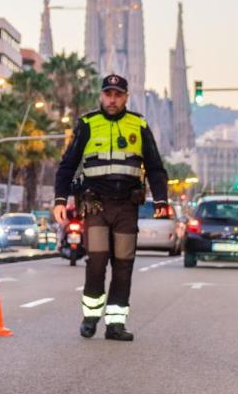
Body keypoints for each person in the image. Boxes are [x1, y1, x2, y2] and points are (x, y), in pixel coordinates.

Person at [52, 74, 170, 341]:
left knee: (124, 263)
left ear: (126, 97)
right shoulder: (87, 124)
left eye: (118, 95)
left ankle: (116, 324)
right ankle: (90, 317)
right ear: (101, 96)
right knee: (96, 260)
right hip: (95, 205)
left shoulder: (139, 124)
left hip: (127, 206)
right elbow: (67, 166)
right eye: (108, 94)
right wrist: (60, 200)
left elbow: (155, 167)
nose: (113, 99)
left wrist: (161, 200)